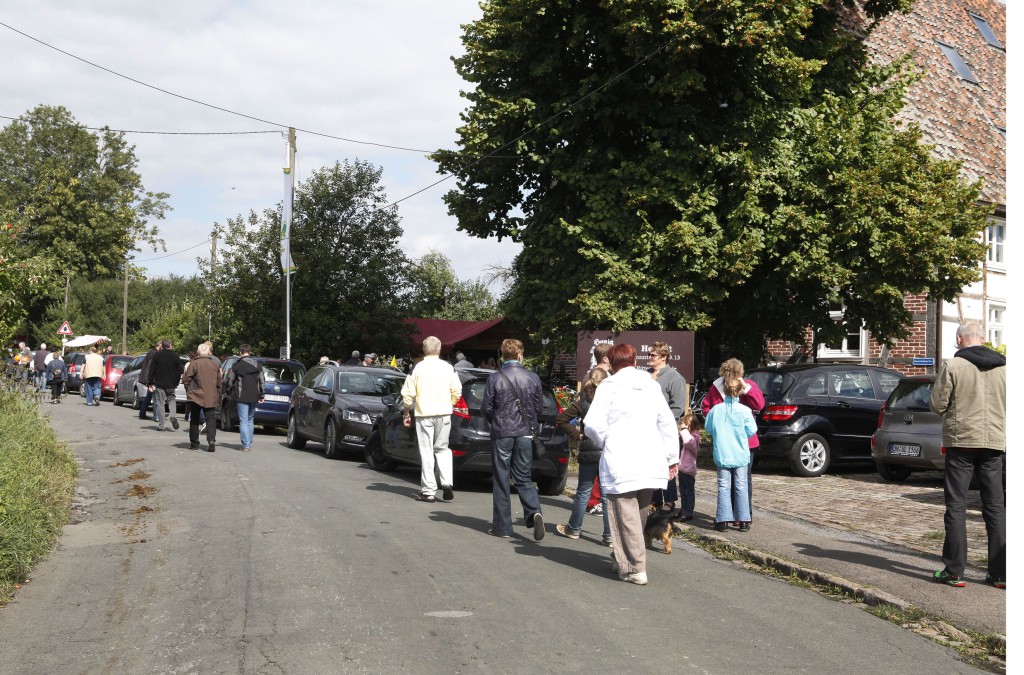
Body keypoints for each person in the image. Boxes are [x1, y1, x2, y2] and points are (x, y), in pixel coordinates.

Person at [583, 343, 678, 585]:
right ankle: (621, 557)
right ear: (635, 361)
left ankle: (635, 567)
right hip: (651, 458)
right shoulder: (651, 386)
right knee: (638, 514)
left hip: (622, 459)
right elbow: (667, 422)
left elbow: (592, 424)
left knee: (625, 516)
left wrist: (606, 440)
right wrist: (671, 458)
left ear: (612, 364)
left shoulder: (609, 387)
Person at [929, 321, 1005, 588]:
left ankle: (954, 571)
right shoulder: (1006, 368)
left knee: (956, 505)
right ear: (983, 339)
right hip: (994, 443)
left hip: (961, 443)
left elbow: (937, 405)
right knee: (995, 507)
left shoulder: (953, 365)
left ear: (960, 339)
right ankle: (1000, 573)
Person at [482, 338, 546, 540]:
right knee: (523, 476)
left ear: (502, 356)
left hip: (502, 432)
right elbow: (538, 409)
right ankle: (534, 511)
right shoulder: (533, 377)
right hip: (526, 432)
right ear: (520, 355)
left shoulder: (495, 378)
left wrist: (496, 422)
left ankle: (502, 528)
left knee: (501, 479)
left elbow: (486, 408)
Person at [702, 358, 765, 524]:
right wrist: (717, 422)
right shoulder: (716, 387)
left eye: (734, 373)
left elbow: (759, 404)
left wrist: (746, 390)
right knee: (731, 482)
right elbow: (706, 407)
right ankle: (732, 515)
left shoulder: (747, 385)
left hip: (743, 442)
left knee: (741, 481)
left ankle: (742, 515)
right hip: (725, 441)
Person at [555, 367, 612, 545]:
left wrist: (577, 434)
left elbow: (561, 419)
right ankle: (609, 536)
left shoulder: (583, 400)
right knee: (607, 496)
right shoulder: (612, 400)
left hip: (588, 448)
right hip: (607, 449)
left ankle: (574, 528)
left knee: (583, 492)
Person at [400, 336, 462, 502]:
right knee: (442, 448)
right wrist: (449, 404)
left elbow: (408, 394)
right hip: (444, 413)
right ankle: (447, 482)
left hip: (424, 414)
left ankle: (428, 491)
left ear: (423, 350)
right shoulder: (448, 367)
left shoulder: (417, 368)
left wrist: (406, 413)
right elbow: (457, 391)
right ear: (439, 349)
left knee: (426, 451)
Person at [706, 378, 758, 532]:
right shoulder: (745, 410)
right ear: (740, 391)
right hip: (740, 452)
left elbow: (708, 428)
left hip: (723, 452)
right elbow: (752, 430)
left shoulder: (716, 410)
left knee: (723, 486)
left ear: (725, 390)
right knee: (741, 485)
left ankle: (723, 520)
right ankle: (743, 520)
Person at [648, 341, 687, 514]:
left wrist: (664, 423)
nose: (649, 358)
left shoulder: (674, 378)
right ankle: (653, 498)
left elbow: (678, 407)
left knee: (667, 463)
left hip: (664, 429)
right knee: (651, 464)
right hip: (647, 429)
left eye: (653, 355)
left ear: (663, 357)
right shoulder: (646, 376)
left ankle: (669, 500)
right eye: (649, 354)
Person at [585, 342, 613, 516]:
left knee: (595, 476)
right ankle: (594, 503)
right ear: (605, 358)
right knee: (597, 474)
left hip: (596, 433)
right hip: (597, 433)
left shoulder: (596, 375)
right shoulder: (598, 377)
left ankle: (593, 502)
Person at [225, 344, 265, 452]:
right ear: (250, 352)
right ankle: (249, 443)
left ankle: (246, 445)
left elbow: (230, 380)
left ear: (240, 352)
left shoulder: (236, 365)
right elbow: (262, 380)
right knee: (250, 420)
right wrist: (262, 394)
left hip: (241, 396)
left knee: (243, 420)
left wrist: (228, 391)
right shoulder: (258, 365)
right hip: (254, 396)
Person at [182, 342, 221, 452]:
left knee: (194, 419)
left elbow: (186, 379)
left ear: (198, 352)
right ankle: (211, 440)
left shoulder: (194, 363)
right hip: (210, 395)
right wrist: (217, 394)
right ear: (208, 352)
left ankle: (194, 443)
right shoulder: (214, 364)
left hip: (196, 395)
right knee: (211, 419)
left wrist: (188, 389)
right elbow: (219, 381)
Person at [148, 339, 184, 432]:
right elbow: (181, 370)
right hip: (171, 384)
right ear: (170, 345)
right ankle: (173, 416)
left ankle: (162, 425)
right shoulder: (175, 356)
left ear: (162, 346)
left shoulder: (157, 355)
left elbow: (151, 369)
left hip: (159, 383)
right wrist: (176, 382)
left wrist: (150, 382)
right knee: (172, 400)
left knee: (160, 403)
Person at [677, 412, 702, 521]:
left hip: (688, 470)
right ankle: (683, 510)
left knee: (688, 492)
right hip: (682, 469)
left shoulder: (694, 437)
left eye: (685, 424)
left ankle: (689, 512)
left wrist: (684, 430)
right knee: (683, 492)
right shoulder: (687, 435)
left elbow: (689, 442)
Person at [138, 341, 162, 420]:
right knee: (154, 396)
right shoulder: (155, 353)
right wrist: (150, 379)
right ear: (159, 346)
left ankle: (143, 412)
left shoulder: (151, 352)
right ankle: (156, 415)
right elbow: (151, 367)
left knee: (149, 395)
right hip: (151, 378)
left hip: (148, 378)